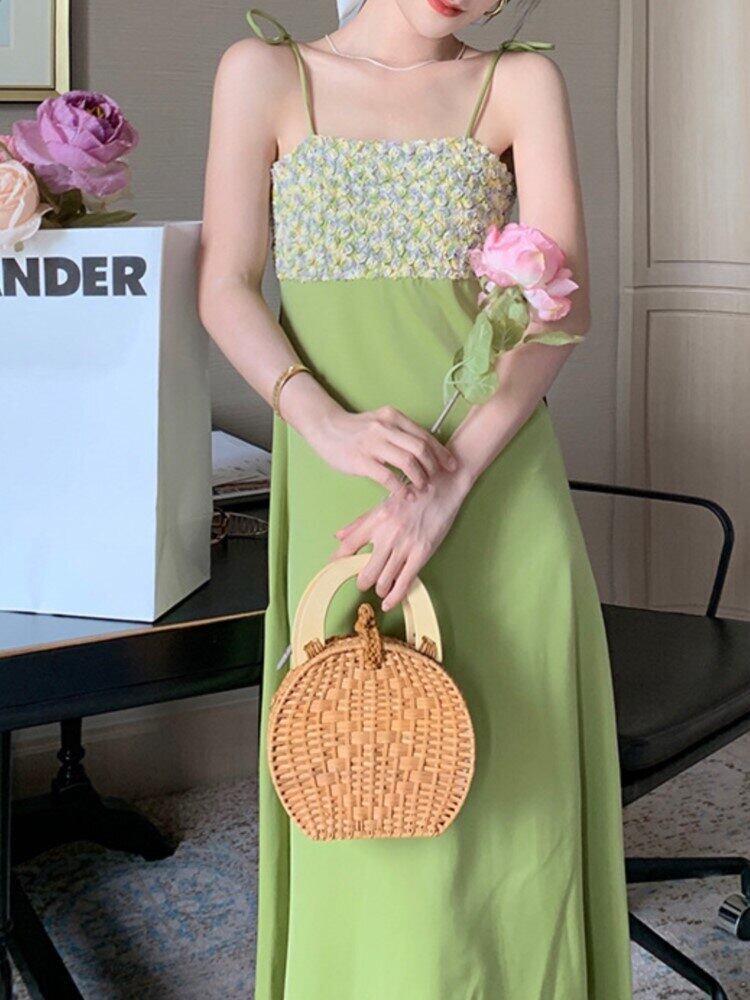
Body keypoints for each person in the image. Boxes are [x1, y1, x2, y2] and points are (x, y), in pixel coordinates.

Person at [197, 0, 633, 996]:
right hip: (338, 484)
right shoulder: (263, 73)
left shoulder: (519, 83)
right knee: (357, 783)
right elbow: (226, 281)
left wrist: (447, 486)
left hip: (492, 490)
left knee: (511, 819)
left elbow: (562, 311)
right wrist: (321, 423)